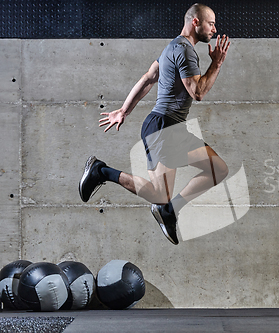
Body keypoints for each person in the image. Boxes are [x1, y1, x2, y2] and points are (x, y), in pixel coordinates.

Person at [79, 3, 231, 244]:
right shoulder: (184, 51)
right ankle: (101, 171)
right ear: (195, 22)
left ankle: (169, 210)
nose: (214, 28)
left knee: (217, 169)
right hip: (163, 127)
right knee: (160, 194)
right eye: (210, 23)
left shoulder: (172, 47)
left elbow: (149, 78)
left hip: (172, 127)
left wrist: (123, 111)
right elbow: (198, 92)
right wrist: (218, 63)